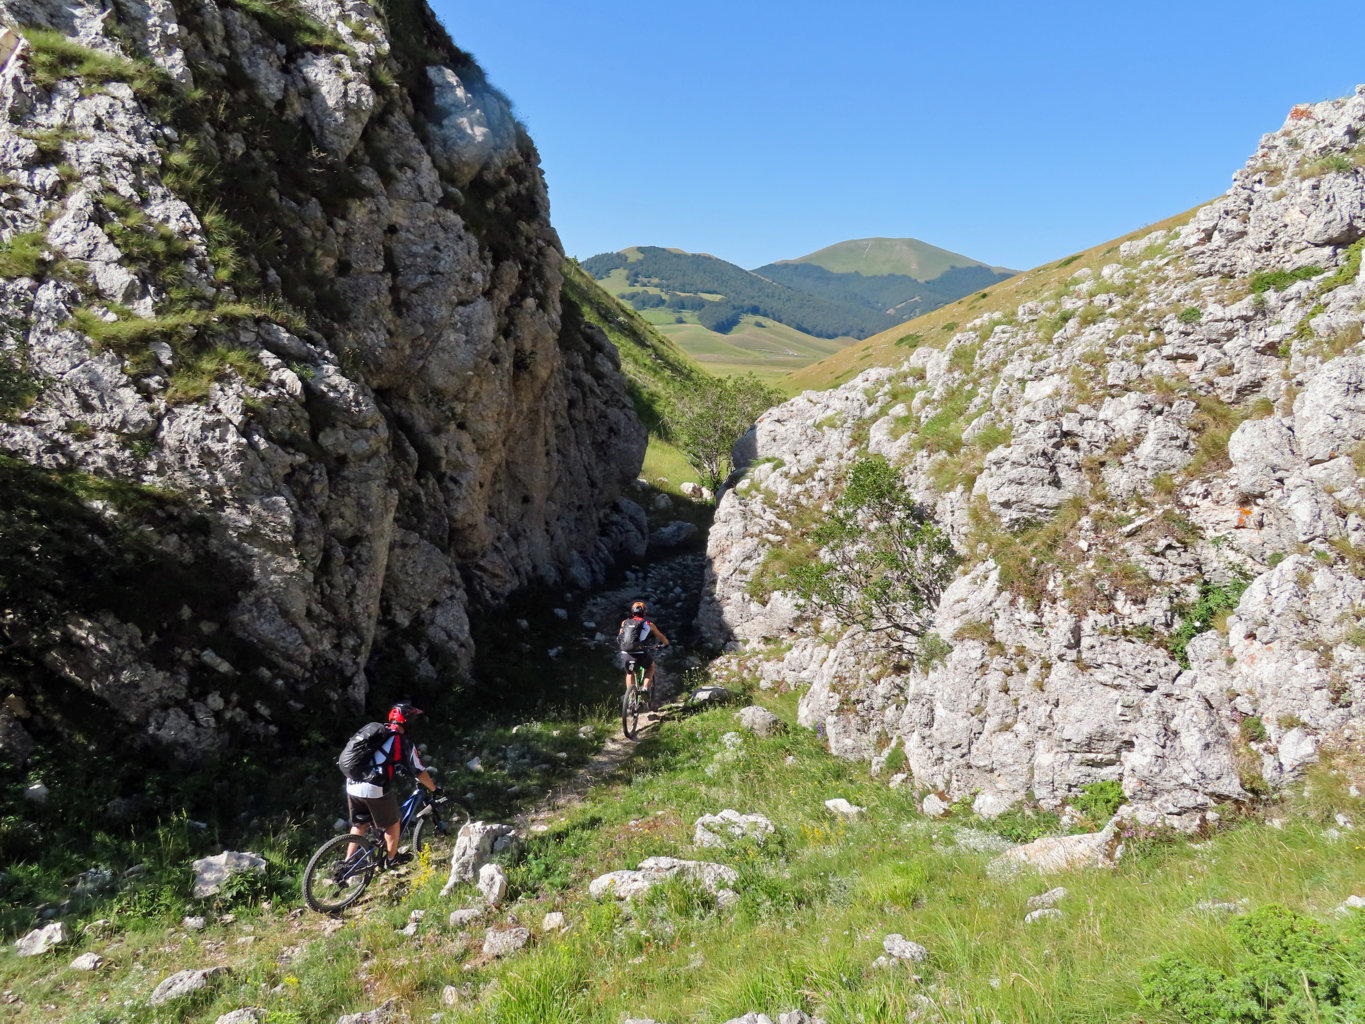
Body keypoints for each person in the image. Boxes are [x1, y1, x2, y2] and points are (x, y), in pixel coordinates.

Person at [344, 702, 438, 868]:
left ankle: (347, 863)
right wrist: (434, 789)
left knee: (360, 823)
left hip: (352, 782)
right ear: (408, 721)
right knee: (393, 822)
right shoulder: (400, 740)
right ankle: (391, 859)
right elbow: (419, 771)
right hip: (372, 787)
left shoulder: (377, 732)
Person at [619, 600, 669, 707]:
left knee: (629, 673)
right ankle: (645, 689)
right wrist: (666, 644)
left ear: (632, 612)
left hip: (626, 653)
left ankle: (631, 697)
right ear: (644, 612)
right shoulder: (648, 624)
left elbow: (620, 637)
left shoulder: (624, 622)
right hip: (640, 653)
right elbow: (660, 636)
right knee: (651, 666)